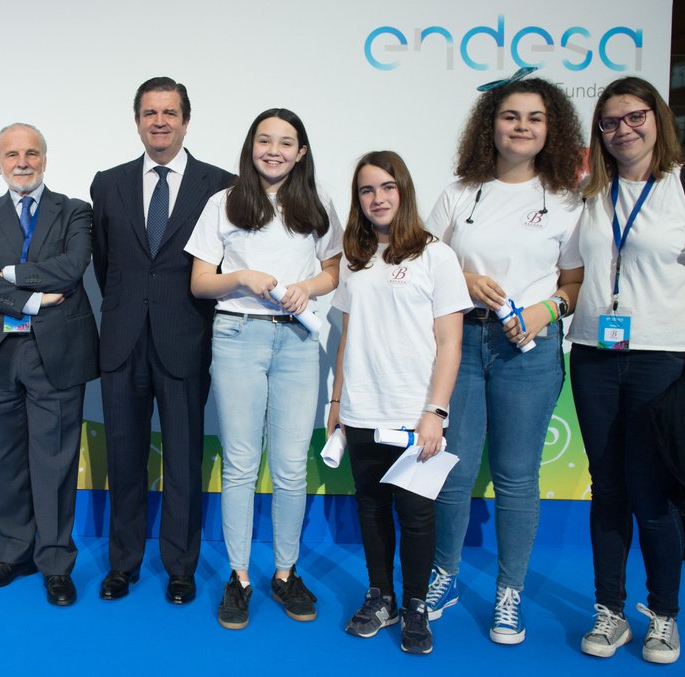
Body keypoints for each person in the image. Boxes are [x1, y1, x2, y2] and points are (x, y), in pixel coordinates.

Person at [568, 76, 685, 664]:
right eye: (611, 122)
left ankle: (663, 616)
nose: (624, 130)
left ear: (657, 118)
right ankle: (610, 612)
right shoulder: (591, 192)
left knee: (654, 494)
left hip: (664, 360)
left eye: (635, 117)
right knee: (608, 489)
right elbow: (571, 274)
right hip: (594, 356)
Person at [423, 76, 585, 644]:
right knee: (454, 470)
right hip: (461, 345)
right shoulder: (459, 193)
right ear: (489, 124)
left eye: (534, 118)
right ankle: (442, 574)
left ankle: (508, 593)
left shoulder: (568, 200)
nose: (521, 126)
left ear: (552, 128)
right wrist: (460, 279)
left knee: (517, 477)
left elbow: (576, 281)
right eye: (510, 115)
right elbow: (419, 261)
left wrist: (549, 308)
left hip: (529, 352)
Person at [185, 108, 341, 630]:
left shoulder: (317, 205)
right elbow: (200, 282)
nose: (274, 150)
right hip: (237, 337)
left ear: (301, 152)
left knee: (293, 464)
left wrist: (308, 288)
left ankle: (284, 572)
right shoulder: (223, 203)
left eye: (286, 142)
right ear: (251, 147)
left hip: (298, 341)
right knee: (241, 463)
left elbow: (332, 269)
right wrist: (240, 278)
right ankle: (238, 577)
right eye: (264, 140)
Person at [90, 77, 234, 604]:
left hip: (185, 340)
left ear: (186, 120)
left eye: (170, 112)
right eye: (150, 112)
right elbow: (106, 266)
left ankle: (180, 567)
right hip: (123, 342)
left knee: (183, 460)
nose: (159, 121)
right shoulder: (107, 183)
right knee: (124, 459)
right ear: (137, 120)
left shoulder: (221, 185)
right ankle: (122, 564)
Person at [326, 150, 470, 654]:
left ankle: (414, 605)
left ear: (403, 191)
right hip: (363, 408)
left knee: (415, 515)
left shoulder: (437, 255)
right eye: (367, 190)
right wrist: (338, 399)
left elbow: (450, 342)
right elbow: (347, 335)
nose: (378, 198)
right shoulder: (354, 257)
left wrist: (436, 412)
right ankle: (380, 595)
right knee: (371, 507)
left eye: (387, 187)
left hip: (414, 414)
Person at [0, 123, 98, 607]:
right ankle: (14, 553)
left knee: (55, 463)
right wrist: (35, 301)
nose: (23, 162)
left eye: (32, 153)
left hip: (57, 354)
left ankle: (56, 562)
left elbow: (74, 265)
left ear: (45, 159)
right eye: (12, 154)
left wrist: (13, 275)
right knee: (7, 460)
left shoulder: (76, 211)